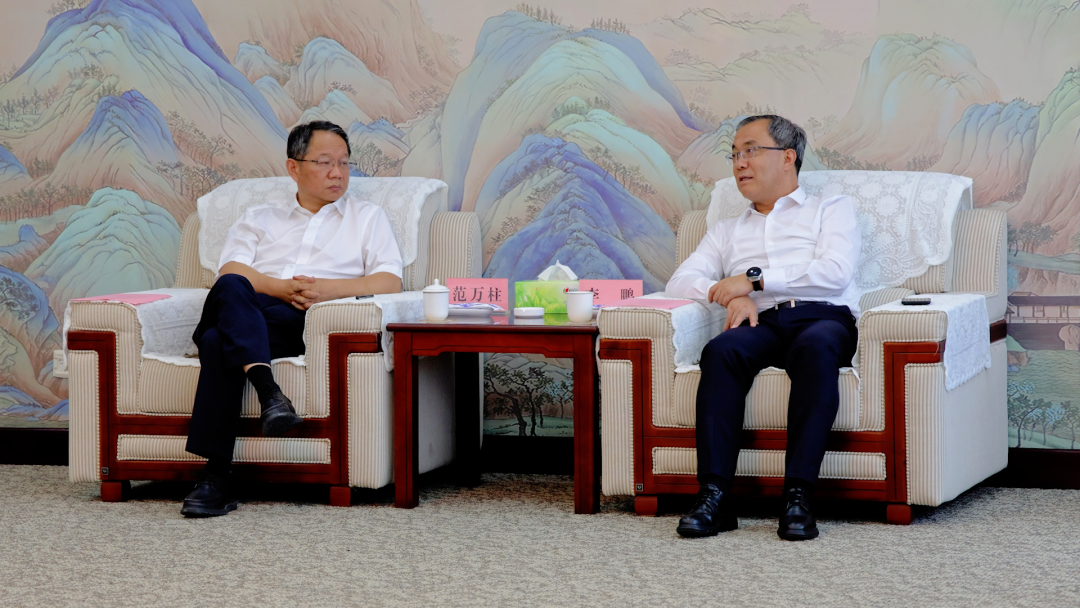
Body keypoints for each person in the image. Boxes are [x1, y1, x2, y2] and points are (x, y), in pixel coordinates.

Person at [181, 120, 404, 517]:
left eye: (344, 163)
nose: (337, 173)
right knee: (231, 285)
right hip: (252, 307)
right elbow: (231, 270)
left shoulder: (367, 217)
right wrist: (279, 287)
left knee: (217, 341)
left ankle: (215, 477)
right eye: (325, 162)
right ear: (294, 167)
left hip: (301, 322)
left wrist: (327, 289)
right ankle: (270, 394)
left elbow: (390, 280)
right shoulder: (260, 217)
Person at [666, 115, 861, 540]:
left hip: (821, 317)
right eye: (735, 154)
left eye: (751, 151)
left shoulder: (830, 209)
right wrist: (728, 294)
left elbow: (835, 273)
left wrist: (754, 281)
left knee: (816, 347)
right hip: (761, 322)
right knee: (721, 351)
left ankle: (798, 496)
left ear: (788, 157)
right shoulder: (726, 230)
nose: (740, 163)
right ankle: (715, 497)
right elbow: (680, 281)